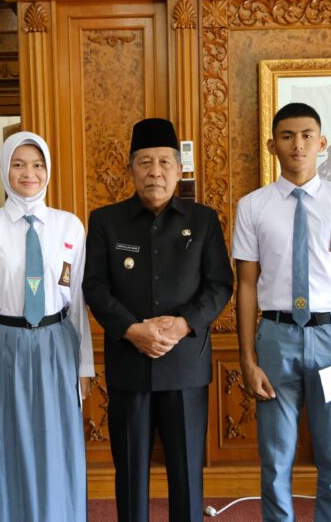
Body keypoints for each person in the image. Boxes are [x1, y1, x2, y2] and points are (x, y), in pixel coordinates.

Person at [232, 103, 331, 521]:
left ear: (322, 142)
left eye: (307, 136)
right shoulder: (253, 207)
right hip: (275, 339)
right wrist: (247, 360)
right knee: (275, 458)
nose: (298, 145)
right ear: (271, 145)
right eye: (287, 136)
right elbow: (245, 285)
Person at [83, 118, 233, 522]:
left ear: (178, 169)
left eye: (165, 162)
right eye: (145, 162)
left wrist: (183, 324)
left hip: (185, 366)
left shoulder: (203, 221)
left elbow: (220, 284)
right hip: (129, 365)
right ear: (130, 169)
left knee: (186, 475)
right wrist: (132, 329)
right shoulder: (105, 221)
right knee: (129, 473)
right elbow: (94, 286)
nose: (155, 172)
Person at [0, 132, 94, 522]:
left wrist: (84, 368)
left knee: (54, 445)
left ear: (48, 171)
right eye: (18, 164)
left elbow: (77, 303)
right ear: (4, 170)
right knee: (0, 445)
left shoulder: (70, 227)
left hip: (56, 345)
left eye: (37, 164)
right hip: (0, 346)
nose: (29, 173)